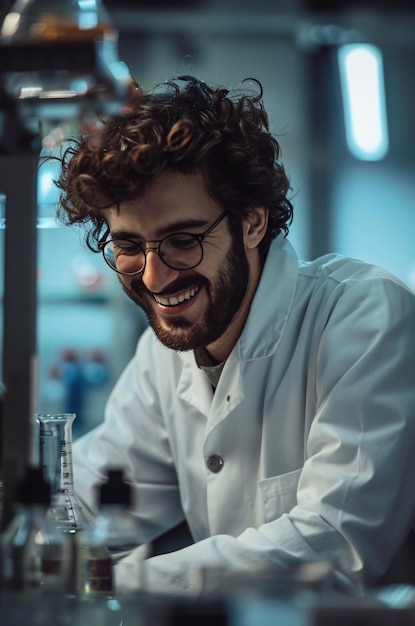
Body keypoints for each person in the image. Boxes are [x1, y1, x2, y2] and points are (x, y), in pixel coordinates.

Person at [56, 75, 415, 599]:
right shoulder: (164, 355)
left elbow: (337, 546)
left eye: (183, 240)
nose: (154, 278)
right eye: (130, 245)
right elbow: (93, 497)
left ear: (251, 221)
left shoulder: (361, 316)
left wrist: (116, 579)